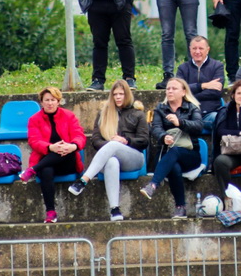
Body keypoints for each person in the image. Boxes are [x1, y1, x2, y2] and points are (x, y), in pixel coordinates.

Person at [66, 80, 149, 221]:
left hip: (133, 157)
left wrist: (126, 140)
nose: (118, 97)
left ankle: (83, 180)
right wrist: (111, 144)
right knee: (111, 161)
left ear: (127, 95)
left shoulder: (138, 114)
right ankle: (114, 209)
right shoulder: (103, 114)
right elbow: (95, 140)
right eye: (115, 94)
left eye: (121, 94)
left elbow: (144, 141)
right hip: (109, 157)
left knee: (114, 145)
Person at [142, 77, 204, 219]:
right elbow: (155, 128)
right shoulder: (160, 108)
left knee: (176, 151)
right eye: (168, 88)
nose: (170, 91)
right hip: (166, 154)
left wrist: (180, 122)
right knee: (174, 167)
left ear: (183, 92)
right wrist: (164, 137)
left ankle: (152, 185)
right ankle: (180, 208)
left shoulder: (192, 107)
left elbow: (199, 127)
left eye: (174, 88)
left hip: (190, 154)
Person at [23, 86, 86, 224]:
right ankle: (50, 212)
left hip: (67, 161)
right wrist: (51, 147)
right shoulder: (34, 119)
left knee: (66, 151)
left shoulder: (69, 116)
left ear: (58, 101)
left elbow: (79, 135)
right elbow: (34, 141)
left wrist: (72, 146)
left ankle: (33, 170)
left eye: (53, 100)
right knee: (46, 170)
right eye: (47, 100)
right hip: (46, 161)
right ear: (41, 102)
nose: (50, 103)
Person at [175, 35, 225, 134]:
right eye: (194, 48)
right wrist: (203, 86)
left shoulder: (217, 66)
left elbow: (216, 93)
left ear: (208, 50)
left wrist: (188, 93)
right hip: (187, 114)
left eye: (201, 48)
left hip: (209, 113)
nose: (197, 52)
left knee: (219, 121)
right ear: (190, 49)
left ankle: (216, 150)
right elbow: (178, 91)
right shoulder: (182, 68)